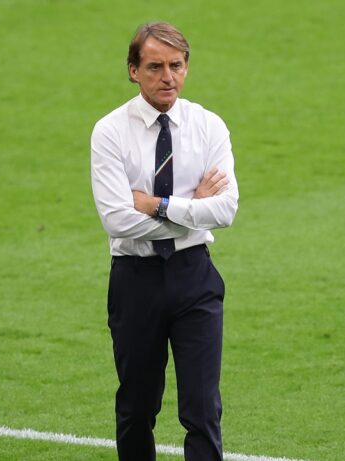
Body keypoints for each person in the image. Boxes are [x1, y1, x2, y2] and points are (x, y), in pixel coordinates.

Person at [90, 21, 239, 461]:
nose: (167, 77)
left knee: (203, 410)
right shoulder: (110, 132)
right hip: (135, 281)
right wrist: (193, 209)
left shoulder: (209, 126)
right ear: (133, 71)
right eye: (155, 67)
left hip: (195, 278)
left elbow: (226, 210)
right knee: (137, 409)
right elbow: (118, 220)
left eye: (176, 65)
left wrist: (156, 205)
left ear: (187, 67)